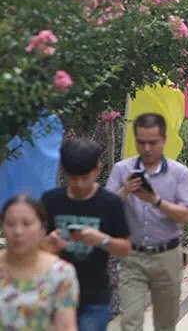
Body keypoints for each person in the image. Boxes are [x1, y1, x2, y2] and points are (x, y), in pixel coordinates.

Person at [106, 113, 188, 331]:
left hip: (167, 255)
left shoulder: (179, 173)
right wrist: (124, 192)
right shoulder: (122, 170)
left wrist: (155, 201)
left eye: (152, 142)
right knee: (131, 320)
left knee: (165, 323)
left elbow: (186, 215)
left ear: (164, 139)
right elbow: (105, 210)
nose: (147, 148)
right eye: (141, 142)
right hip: (132, 256)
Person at [41, 139, 131, 331]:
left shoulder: (110, 203)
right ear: (64, 172)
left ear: (97, 170)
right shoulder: (51, 200)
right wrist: (48, 244)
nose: (79, 184)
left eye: (85, 177)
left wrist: (101, 240)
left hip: (94, 296)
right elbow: (35, 247)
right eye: (73, 178)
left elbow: (125, 248)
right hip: (54, 292)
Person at [0, 195, 79, 330]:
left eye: (27, 224)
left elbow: (66, 326)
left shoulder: (61, 273)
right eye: (11, 224)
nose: (18, 231)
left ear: (42, 229)